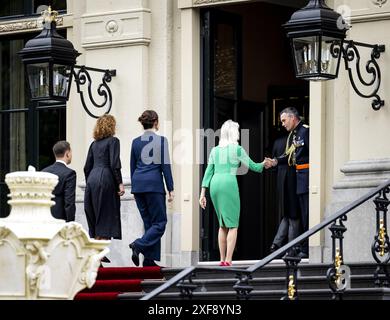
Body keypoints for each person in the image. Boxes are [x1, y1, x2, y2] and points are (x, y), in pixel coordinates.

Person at [199, 120, 268, 266]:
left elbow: (208, 172)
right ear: (234, 133)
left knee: (222, 224)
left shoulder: (215, 150)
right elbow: (253, 166)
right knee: (233, 225)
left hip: (215, 184)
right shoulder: (237, 149)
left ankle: (222, 259)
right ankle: (229, 260)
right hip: (228, 183)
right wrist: (264, 163)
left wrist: (202, 193)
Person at [129, 110, 174, 267]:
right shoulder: (161, 141)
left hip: (139, 186)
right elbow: (165, 166)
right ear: (156, 122)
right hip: (154, 186)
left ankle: (149, 261)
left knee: (149, 224)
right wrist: (171, 188)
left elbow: (132, 166)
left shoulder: (135, 142)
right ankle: (138, 245)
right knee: (160, 223)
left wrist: (134, 188)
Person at [267, 107, 309, 258]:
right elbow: (289, 156)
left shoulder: (305, 131)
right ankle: (300, 248)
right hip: (298, 180)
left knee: (303, 216)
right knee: (299, 215)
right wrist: (275, 161)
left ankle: (302, 249)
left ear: (293, 118)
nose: (283, 124)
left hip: (305, 178)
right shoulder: (293, 134)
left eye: (284, 120)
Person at [84, 114, 125, 263]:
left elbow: (86, 167)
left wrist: (91, 181)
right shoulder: (113, 141)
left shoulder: (93, 144)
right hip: (106, 179)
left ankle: (97, 252)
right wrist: (120, 183)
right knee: (106, 218)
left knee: (96, 218)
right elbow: (115, 164)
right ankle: (96, 254)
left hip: (92, 180)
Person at [268, 135, 301, 254]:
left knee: (287, 213)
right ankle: (291, 248)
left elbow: (273, 167)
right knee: (293, 214)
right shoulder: (295, 140)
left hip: (280, 179)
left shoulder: (277, 141)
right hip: (293, 179)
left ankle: (276, 243)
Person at [42, 141, 76, 222]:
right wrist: (70, 222)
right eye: (71, 152)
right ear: (67, 154)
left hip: (44, 218)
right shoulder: (70, 174)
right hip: (60, 220)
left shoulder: (44, 172)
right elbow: (69, 202)